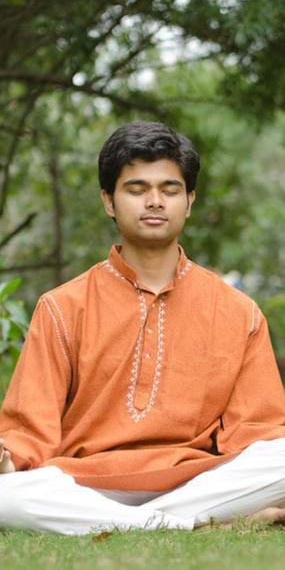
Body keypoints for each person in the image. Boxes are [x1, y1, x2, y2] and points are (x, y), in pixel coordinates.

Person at [0, 120, 285, 536]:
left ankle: (160, 520)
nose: (154, 202)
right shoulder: (62, 306)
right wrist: (7, 460)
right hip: (83, 486)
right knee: (8, 493)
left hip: (196, 482)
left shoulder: (238, 311)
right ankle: (186, 527)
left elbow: (258, 433)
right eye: (136, 190)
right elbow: (29, 432)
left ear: (188, 201)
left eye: (169, 190)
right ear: (109, 202)